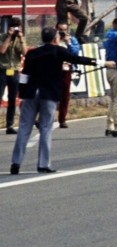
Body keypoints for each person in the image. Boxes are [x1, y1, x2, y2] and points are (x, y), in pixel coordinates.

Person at [10, 27, 107, 175]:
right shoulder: (58, 51)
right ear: (55, 39)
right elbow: (78, 59)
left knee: (24, 128)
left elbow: (25, 75)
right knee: (46, 128)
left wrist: (22, 93)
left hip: (31, 93)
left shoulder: (32, 53)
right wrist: (102, 63)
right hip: (48, 93)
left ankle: (15, 163)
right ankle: (43, 164)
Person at [1, 17, 27, 134]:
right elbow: (2, 50)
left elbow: (25, 53)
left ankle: (9, 125)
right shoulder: (2, 37)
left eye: (17, 27)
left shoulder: (20, 39)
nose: (15, 30)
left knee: (12, 99)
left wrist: (21, 38)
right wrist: (9, 36)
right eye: (13, 27)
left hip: (14, 71)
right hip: (2, 70)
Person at [55, 22, 80, 129]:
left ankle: (62, 119)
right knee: (49, 95)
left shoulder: (71, 39)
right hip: (53, 69)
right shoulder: (52, 38)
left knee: (65, 95)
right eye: (60, 30)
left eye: (64, 30)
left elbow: (75, 53)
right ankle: (42, 118)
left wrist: (68, 42)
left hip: (66, 69)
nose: (62, 32)